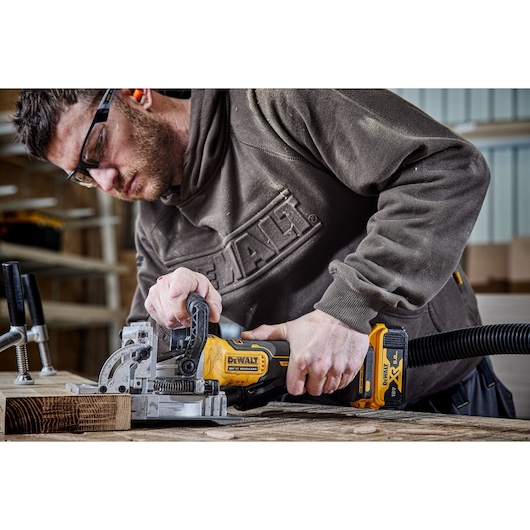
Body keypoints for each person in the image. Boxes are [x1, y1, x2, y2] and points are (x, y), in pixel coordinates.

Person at [12, 88, 516, 418]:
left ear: (135, 93)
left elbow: (446, 168)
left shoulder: (275, 100)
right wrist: (174, 325)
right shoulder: (155, 225)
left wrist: (345, 312)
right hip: (320, 426)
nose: (106, 182)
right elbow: (146, 359)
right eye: (83, 175)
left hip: (444, 399)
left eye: (97, 148)